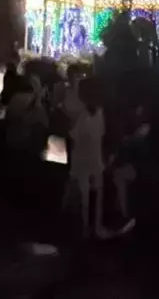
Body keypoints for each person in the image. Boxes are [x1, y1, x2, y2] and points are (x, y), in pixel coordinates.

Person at [67, 78, 106, 239]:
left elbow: (73, 138)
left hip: (87, 160)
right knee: (89, 196)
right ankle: (89, 228)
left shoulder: (89, 115)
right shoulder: (90, 115)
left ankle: (90, 228)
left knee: (89, 196)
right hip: (87, 161)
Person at [108, 102, 150, 235]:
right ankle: (121, 215)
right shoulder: (140, 129)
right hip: (134, 164)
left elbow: (133, 146)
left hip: (141, 166)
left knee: (118, 176)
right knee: (117, 176)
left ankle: (123, 216)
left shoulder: (145, 129)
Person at [5, 73, 48, 159]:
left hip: (10, 139)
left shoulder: (16, 96)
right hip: (24, 142)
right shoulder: (34, 101)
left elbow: (8, 115)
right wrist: (38, 98)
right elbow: (45, 123)